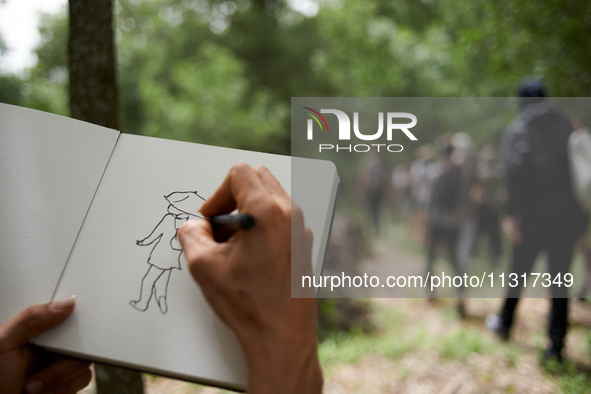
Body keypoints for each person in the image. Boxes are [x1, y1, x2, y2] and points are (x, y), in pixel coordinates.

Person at [0, 164, 323, 394]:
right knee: (152, 279)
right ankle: (148, 299)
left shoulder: (185, 219)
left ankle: (153, 299)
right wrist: (287, 343)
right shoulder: (172, 217)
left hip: (176, 254)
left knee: (157, 280)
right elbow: (157, 232)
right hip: (164, 254)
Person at [486, 80, 585, 363]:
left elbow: (514, 176)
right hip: (566, 220)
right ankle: (556, 346)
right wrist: (581, 224)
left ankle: (504, 324)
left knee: (517, 273)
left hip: (532, 221)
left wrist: (513, 217)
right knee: (560, 281)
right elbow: (581, 177)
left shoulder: (519, 129)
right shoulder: (568, 126)